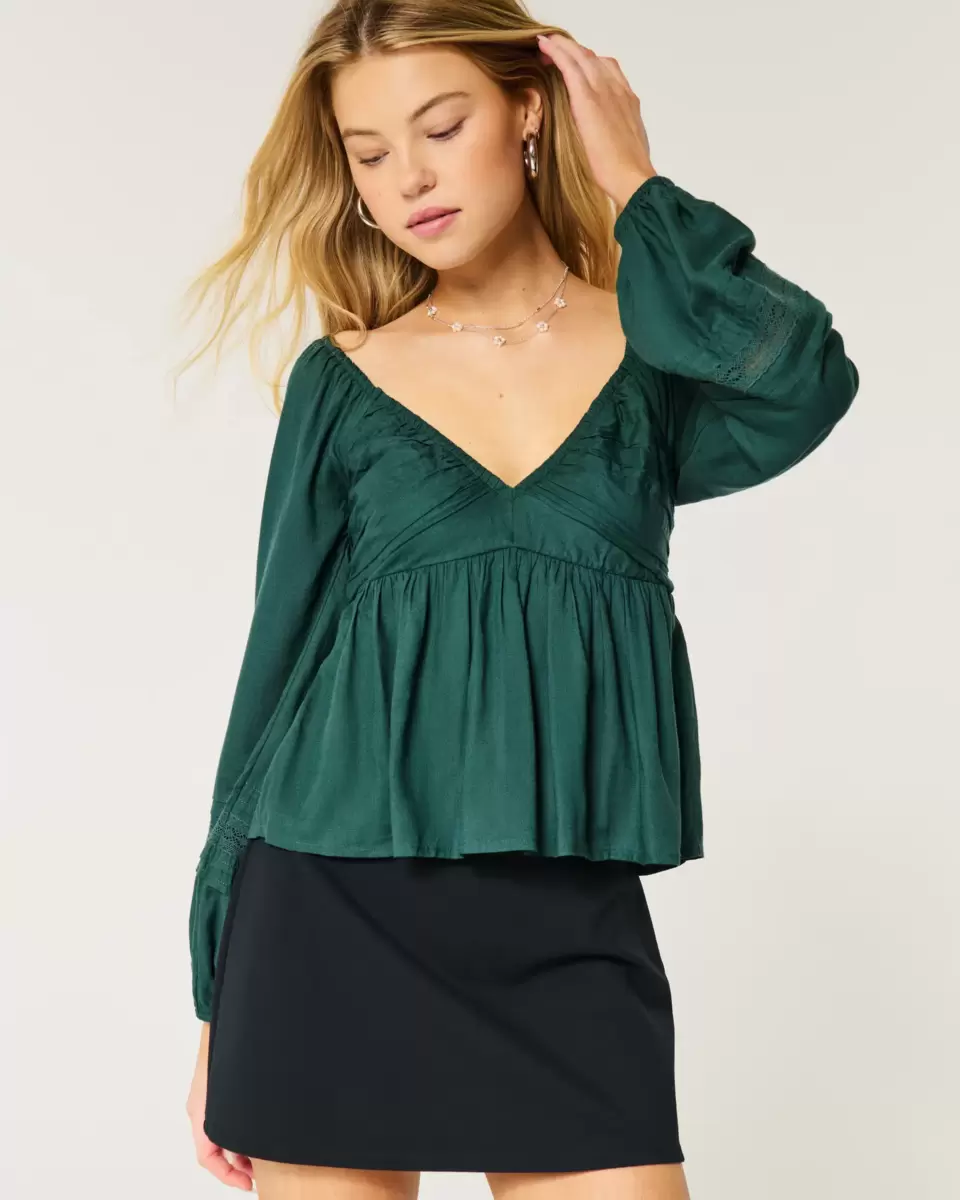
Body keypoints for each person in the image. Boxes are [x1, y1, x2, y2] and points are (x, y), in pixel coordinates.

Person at [179, 3, 859, 1198]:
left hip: (567, 922)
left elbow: (802, 377)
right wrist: (214, 998)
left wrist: (637, 184)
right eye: (370, 153)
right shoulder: (343, 380)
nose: (409, 178)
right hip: (329, 911)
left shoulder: (653, 361)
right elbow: (275, 673)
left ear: (529, 113)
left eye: (441, 128)